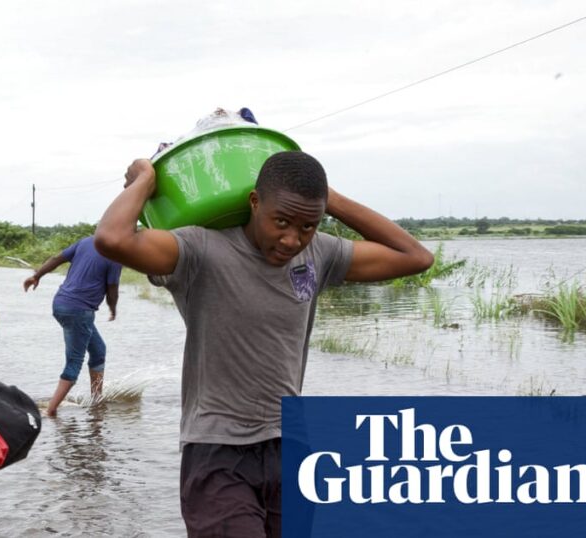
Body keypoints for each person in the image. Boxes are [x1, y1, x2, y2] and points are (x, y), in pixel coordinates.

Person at [94, 151, 433, 537]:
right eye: (282, 221)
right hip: (218, 451)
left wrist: (332, 200)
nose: (292, 239)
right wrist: (145, 180)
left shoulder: (319, 253)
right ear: (255, 202)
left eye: (308, 226)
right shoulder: (201, 250)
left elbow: (416, 257)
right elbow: (112, 238)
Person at [24, 236, 121, 417]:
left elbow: (56, 259)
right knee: (74, 362)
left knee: (98, 350)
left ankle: (96, 400)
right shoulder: (114, 255)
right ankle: (51, 410)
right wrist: (113, 309)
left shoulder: (86, 242)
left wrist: (37, 276)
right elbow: (112, 289)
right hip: (79, 311)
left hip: (61, 304)